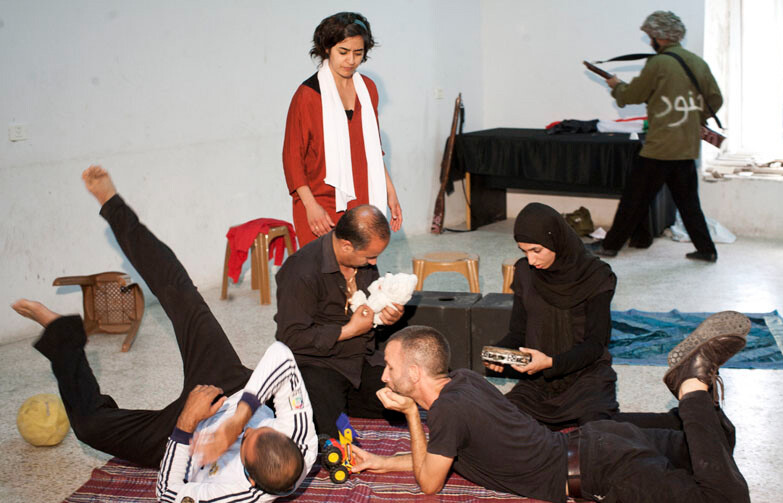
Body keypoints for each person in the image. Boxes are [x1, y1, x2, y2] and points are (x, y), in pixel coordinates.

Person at [12, 166, 317, 502]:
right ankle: (112, 204)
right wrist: (240, 417)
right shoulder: (302, 441)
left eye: (244, 440)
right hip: (230, 383)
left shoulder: (230, 494)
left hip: (188, 432)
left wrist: (187, 424)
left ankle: (61, 334)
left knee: (90, 427)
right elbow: (281, 356)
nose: (244, 433)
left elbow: (168, 494)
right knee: (181, 294)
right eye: (258, 429)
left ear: (248, 475)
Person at [353, 317, 750, 502]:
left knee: (726, 498)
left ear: (416, 372)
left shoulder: (445, 414)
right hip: (600, 440)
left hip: (603, 470)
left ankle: (692, 383)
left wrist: (409, 413)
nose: (384, 376)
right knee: (718, 443)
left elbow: (429, 482)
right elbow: (439, 457)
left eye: (389, 367)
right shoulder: (463, 380)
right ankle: (699, 394)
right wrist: (377, 462)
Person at [589, 10, 722, 262]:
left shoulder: (658, 64)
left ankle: (610, 246)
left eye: (650, 34)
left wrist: (617, 85)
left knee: (633, 198)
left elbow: (632, 96)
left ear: (658, 37)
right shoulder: (697, 63)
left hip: (660, 147)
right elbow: (716, 99)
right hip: (686, 146)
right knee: (689, 203)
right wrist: (693, 116)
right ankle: (706, 250)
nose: (649, 38)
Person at [484, 203, 618, 429]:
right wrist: (500, 353)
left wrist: (551, 362)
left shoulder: (595, 276)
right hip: (539, 384)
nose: (531, 260)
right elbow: (519, 332)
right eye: (524, 251)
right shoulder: (525, 272)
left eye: (536, 250)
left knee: (599, 437)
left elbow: (596, 345)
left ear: (556, 240)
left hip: (586, 378)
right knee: (500, 430)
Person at [274, 204, 404, 437]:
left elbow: (369, 305)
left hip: (360, 359)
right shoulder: (301, 270)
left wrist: (387, 315)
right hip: (318, 364)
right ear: (346, 245)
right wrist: (349, 330)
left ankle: (344, 401)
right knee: (334, 435)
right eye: (370, 256)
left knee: (412, 392)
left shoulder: (360, 260)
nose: (374, 263)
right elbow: (290, 337)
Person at [282, 11, 402, 247]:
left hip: (363, 199)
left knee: (361, 274)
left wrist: (390, 191)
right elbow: (292, 157)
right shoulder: (307, 96)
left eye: (358, 53)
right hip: (319, 202)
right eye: (343, 52)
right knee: (323, 274)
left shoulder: (368, 89)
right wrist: (310, 205)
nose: (351, 60)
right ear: (327, 49)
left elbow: (373, 149)